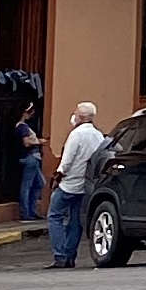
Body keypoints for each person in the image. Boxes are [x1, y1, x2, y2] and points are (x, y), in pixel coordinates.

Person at [48, 102, 104, 269]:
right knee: (75, 221)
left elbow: (67, 160)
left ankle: (60, 255)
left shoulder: (76, 134)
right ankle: (70, 256)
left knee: (54, 216)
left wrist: (58, 176)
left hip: (69, 182)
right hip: (85, 183)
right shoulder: (98, 135)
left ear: (80, 117)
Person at [14, 95, 45, 231]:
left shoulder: (21, 127)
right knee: (27, 185)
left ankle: (31, 211)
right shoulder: (23, 127)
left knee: (39, 183)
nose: (32, 115)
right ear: (25, 113)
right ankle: (26, 213)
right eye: (30, 112)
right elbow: (26, 143)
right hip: (30, 157)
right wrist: (39, 142)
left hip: (30, 158)